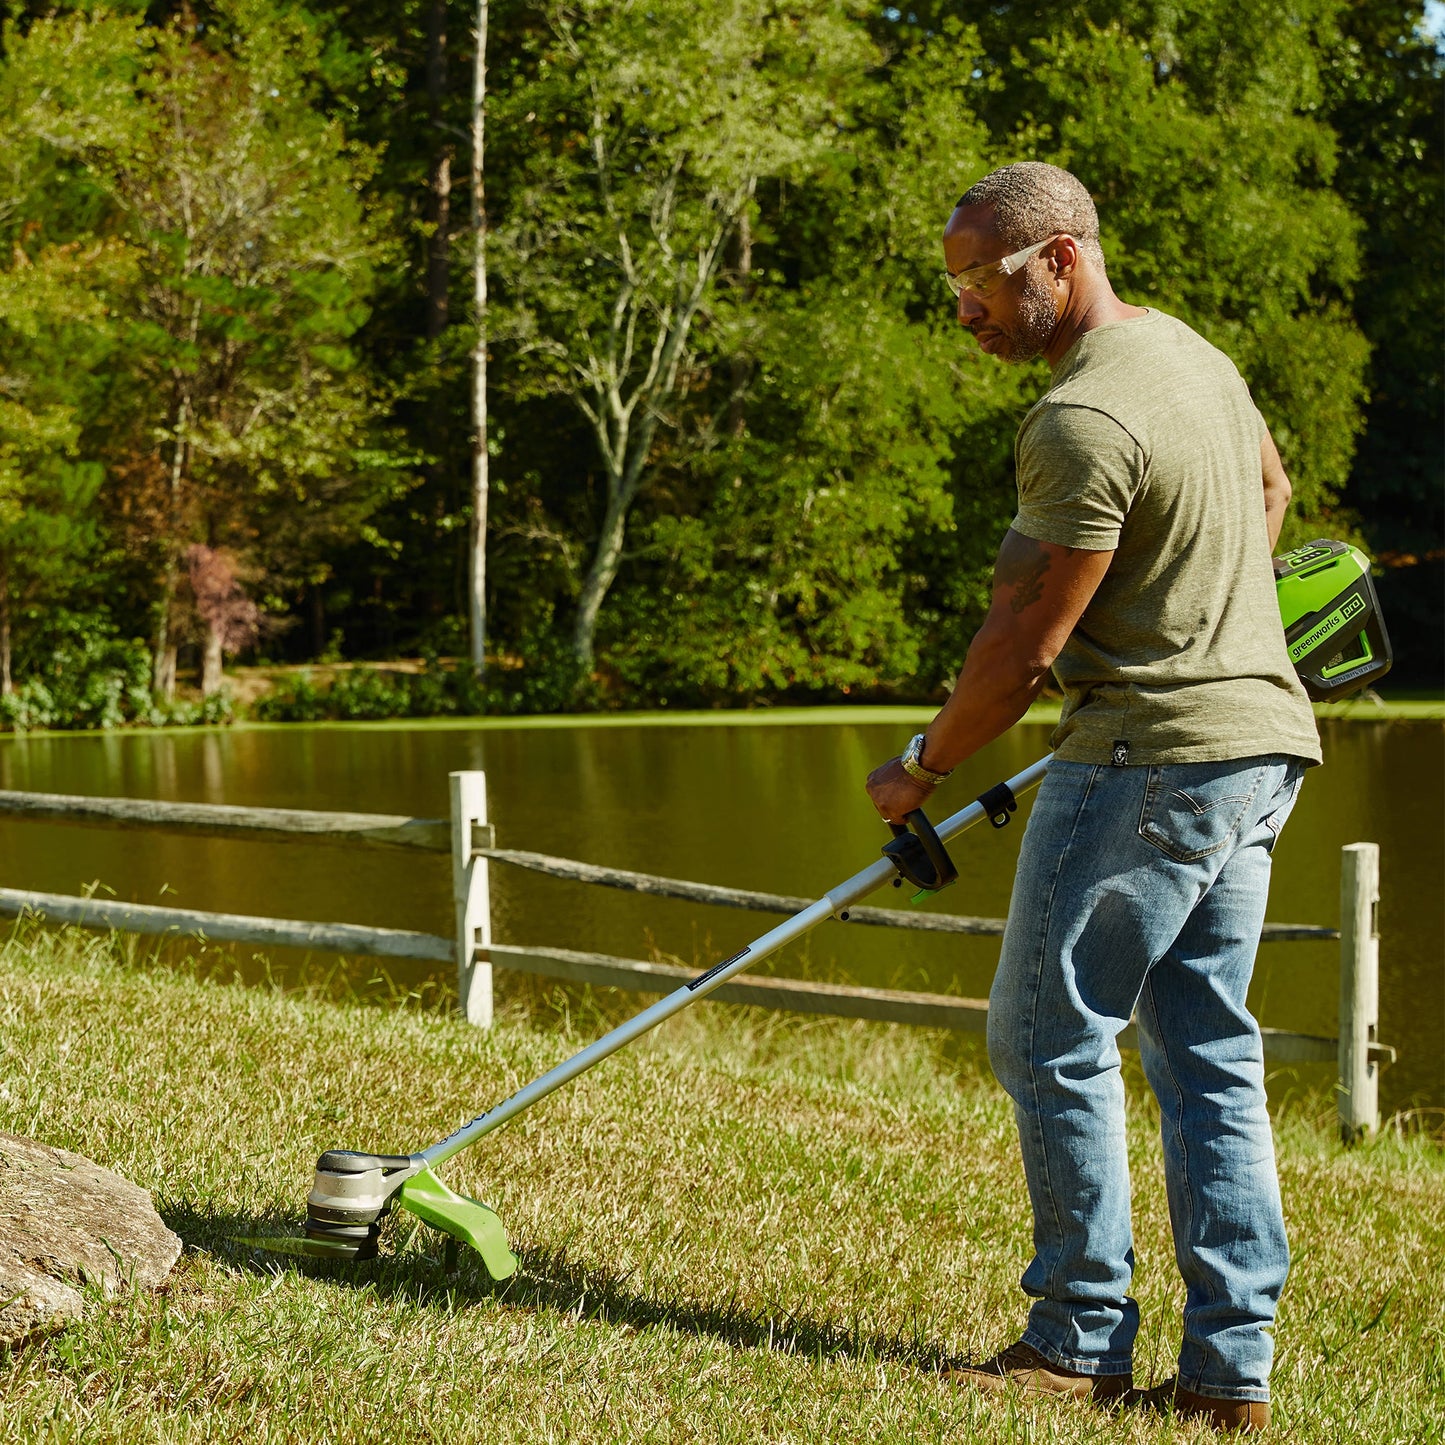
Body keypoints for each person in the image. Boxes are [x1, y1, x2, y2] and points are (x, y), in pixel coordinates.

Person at [865, 162, 1320, 1434]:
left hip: (1145, 756)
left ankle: (1074, 1336)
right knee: (1206, 1051)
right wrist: (1202, 612)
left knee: (1046, 1035)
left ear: (1055, 258)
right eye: (952, 284)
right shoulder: (1193, 358)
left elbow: (1016, 647)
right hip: (1260, 745)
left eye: (977, 283)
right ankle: (1230, 1370)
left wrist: (921, 769)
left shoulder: (1080, 420)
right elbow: (1272, 494)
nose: (963, 310)